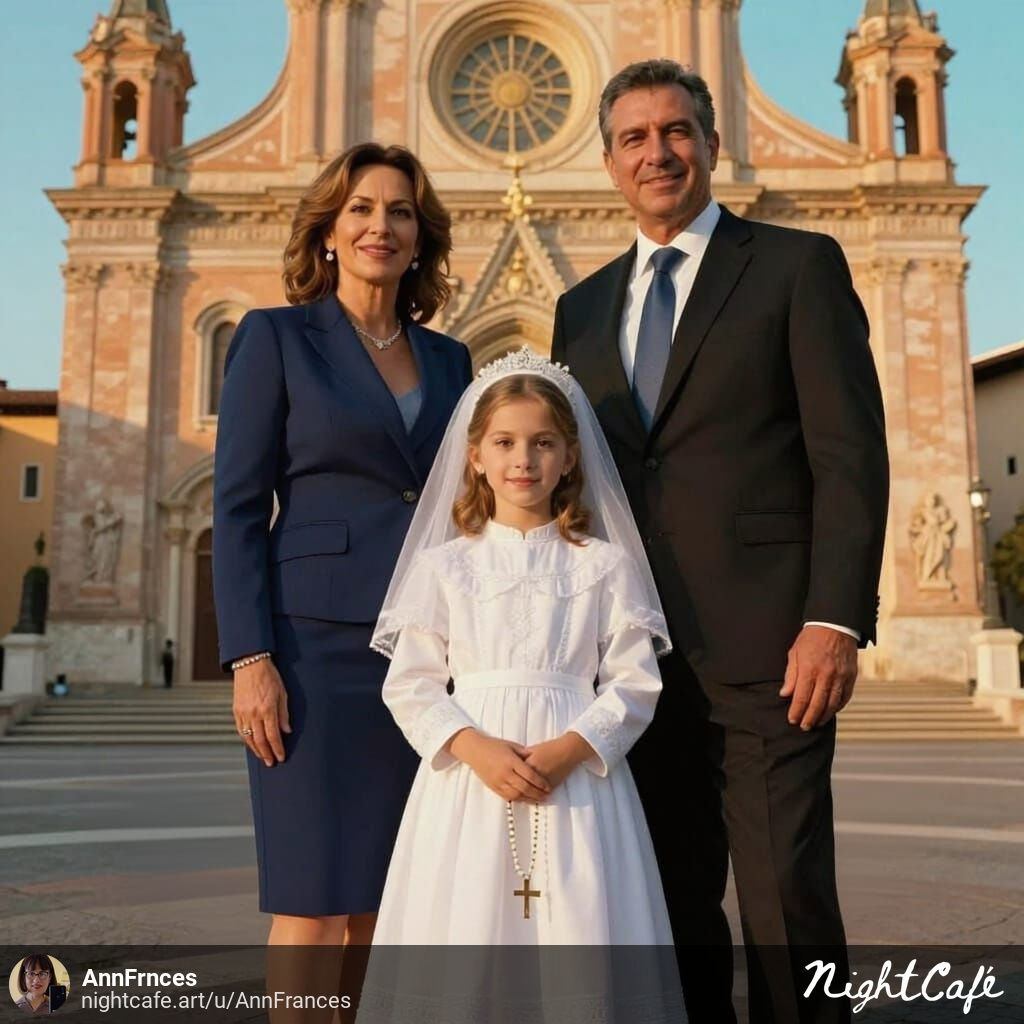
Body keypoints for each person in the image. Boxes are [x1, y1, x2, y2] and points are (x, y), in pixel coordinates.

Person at [551, 60, 889, 1024]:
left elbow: (849, 457)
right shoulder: (581, 310)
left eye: (676, 131)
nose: (657, 153)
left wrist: (834, 619)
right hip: (632, 661)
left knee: (785, 900)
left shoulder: (795, 266)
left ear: (710, 141)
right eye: (634, 138)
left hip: (774, 651)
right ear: (609, 162)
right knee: (666, 902)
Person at [357, 351, 684, 1022]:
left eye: (543, 443)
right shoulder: (445, 566)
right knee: (468, 917)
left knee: (579, 919)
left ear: (570, 458)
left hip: (578, 777)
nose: (523, 460)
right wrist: (470, 745)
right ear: (475, 456)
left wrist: (574, 747)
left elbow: (634, 680)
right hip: (470, 778)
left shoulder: (605, 566)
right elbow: (411, 682)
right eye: (504, 442)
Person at [212, 141, 472, 978]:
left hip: (424, 656)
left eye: (399, 212)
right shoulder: (276, 337)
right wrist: (251, 658)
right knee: (314, 904)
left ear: (420, 237)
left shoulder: (450, 360)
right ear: (328, 231)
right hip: (311, 654)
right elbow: (238, 507)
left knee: (389, 904)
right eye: (360, 209)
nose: (379, 226)